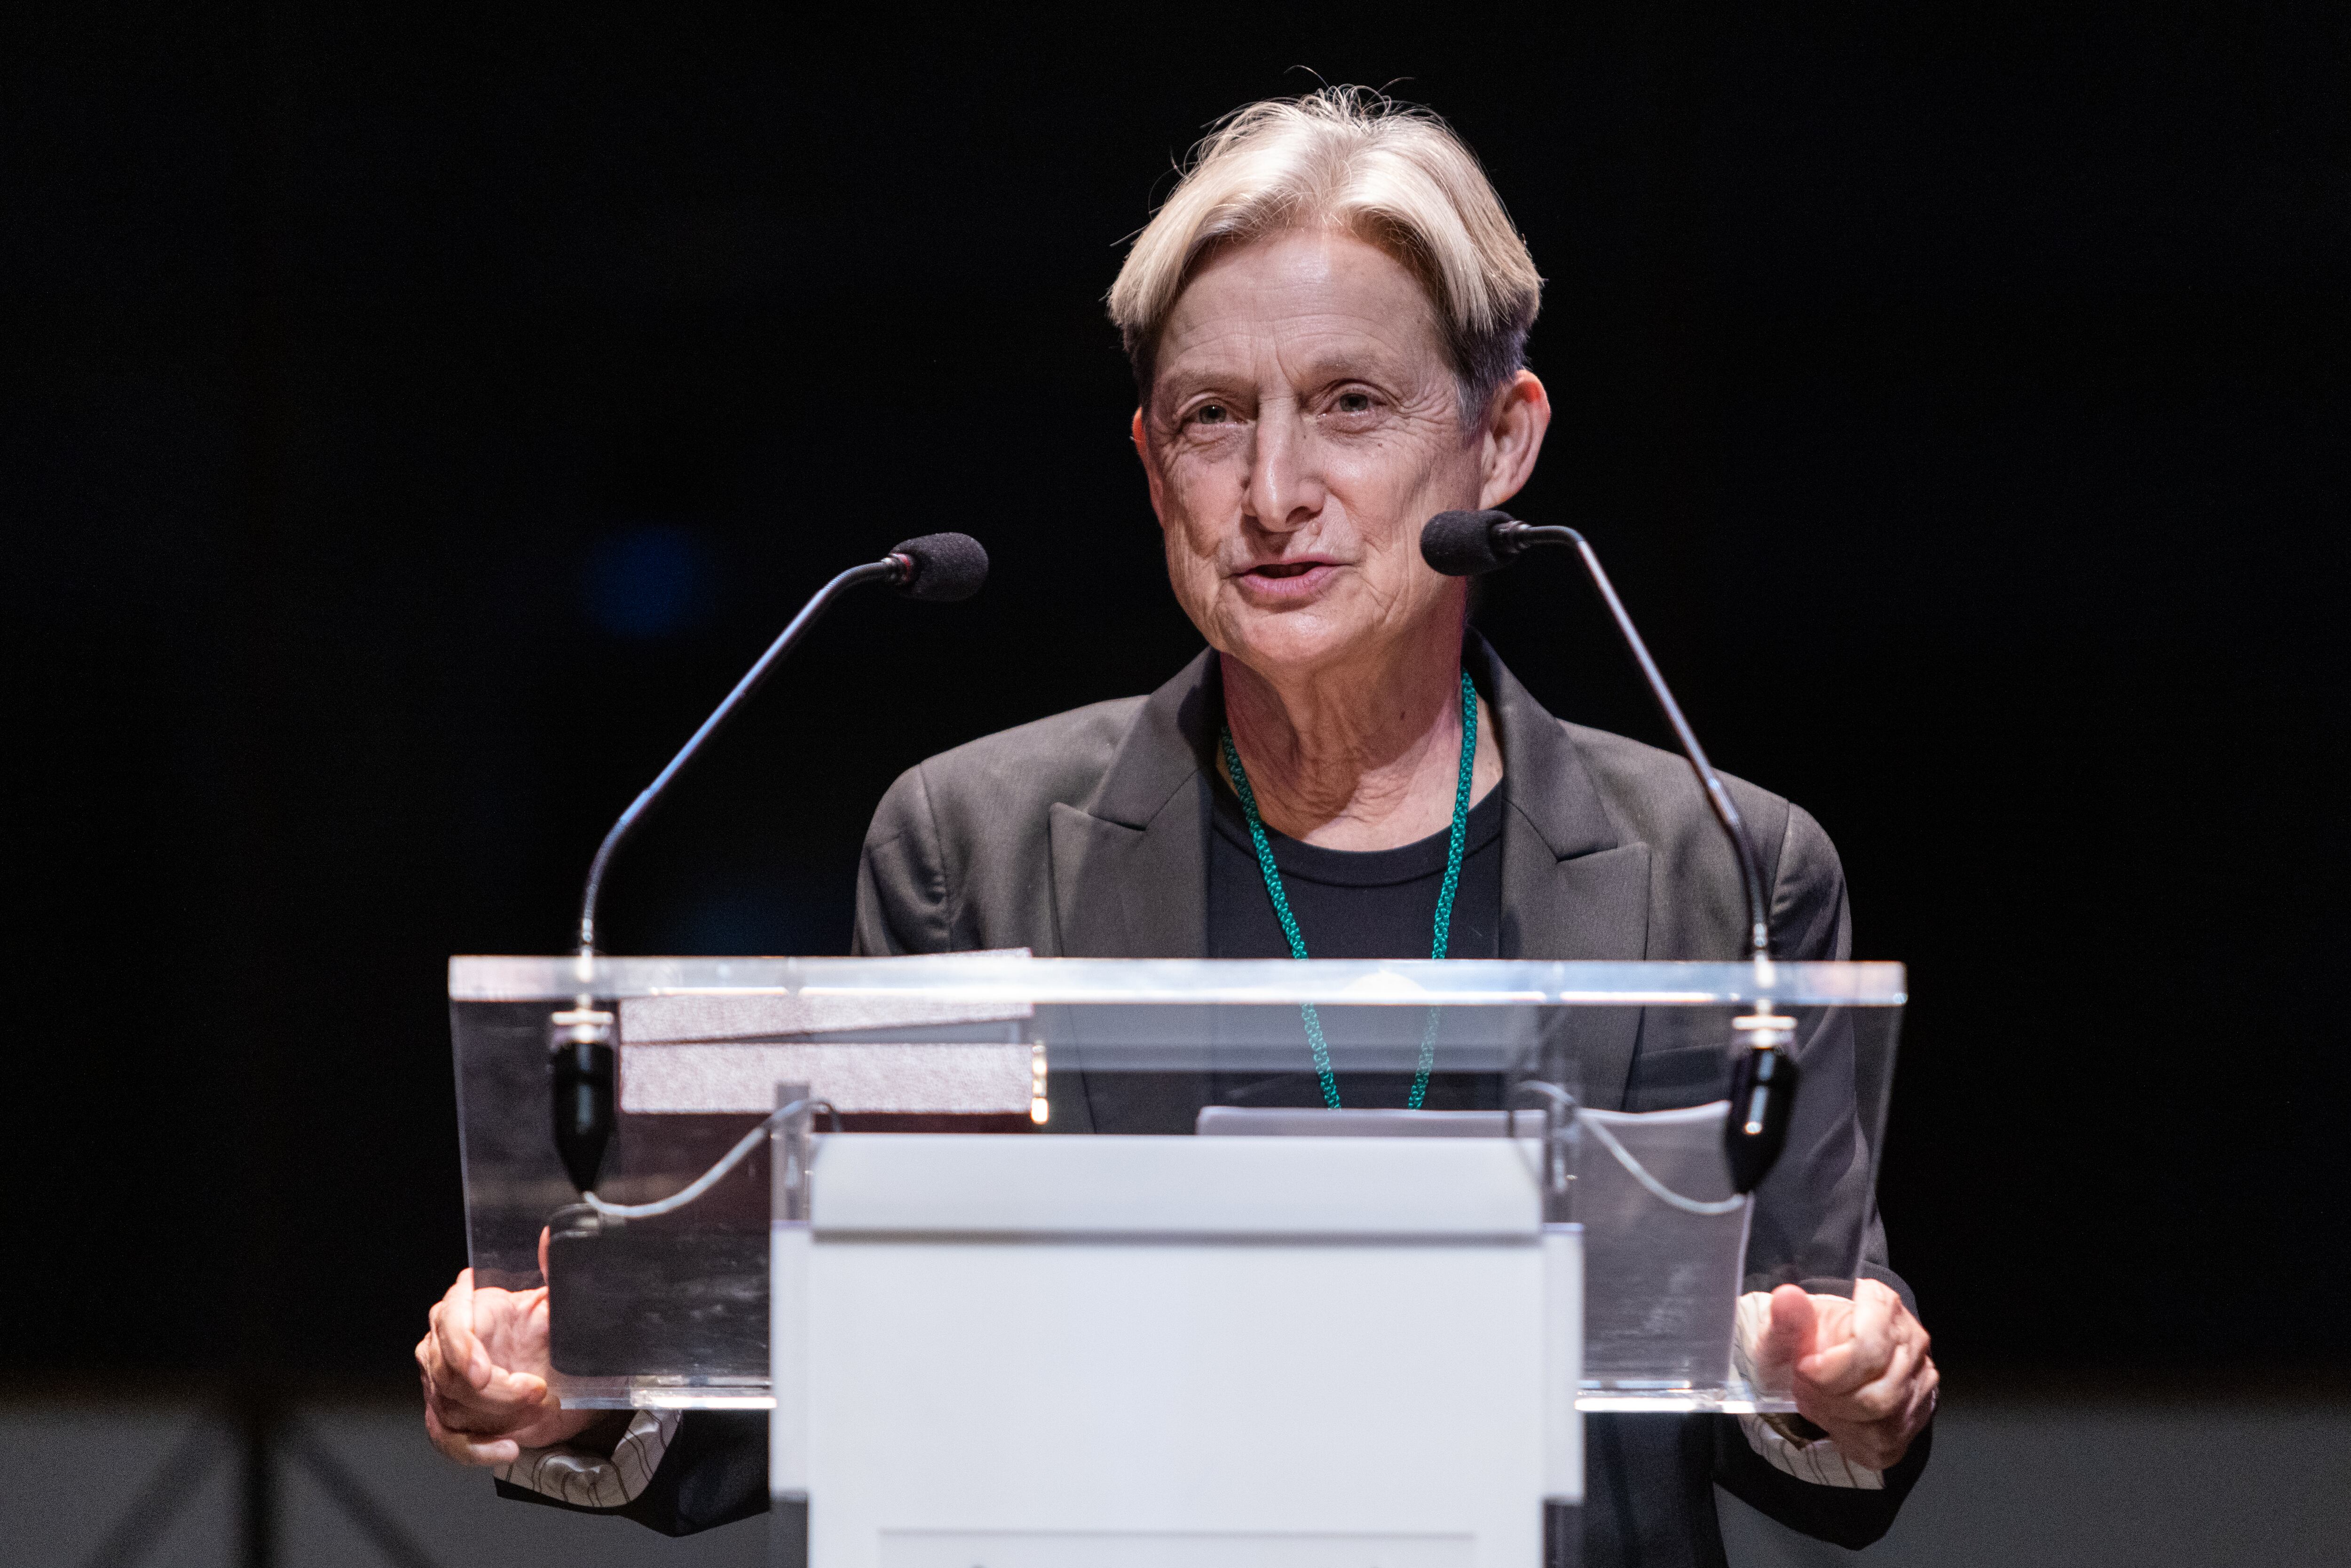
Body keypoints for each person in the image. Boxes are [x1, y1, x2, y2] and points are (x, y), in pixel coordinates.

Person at [417, 87, 1938, 1564]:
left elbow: (1820, 1403)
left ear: (1504, 436)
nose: (1275, 491)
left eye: (1352, 404)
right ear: (1154, 469)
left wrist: (1843, 1387)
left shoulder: (1719, 870)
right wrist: (583, 1383)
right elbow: (855, 1352)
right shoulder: (976, 849)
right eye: (1215, 419)